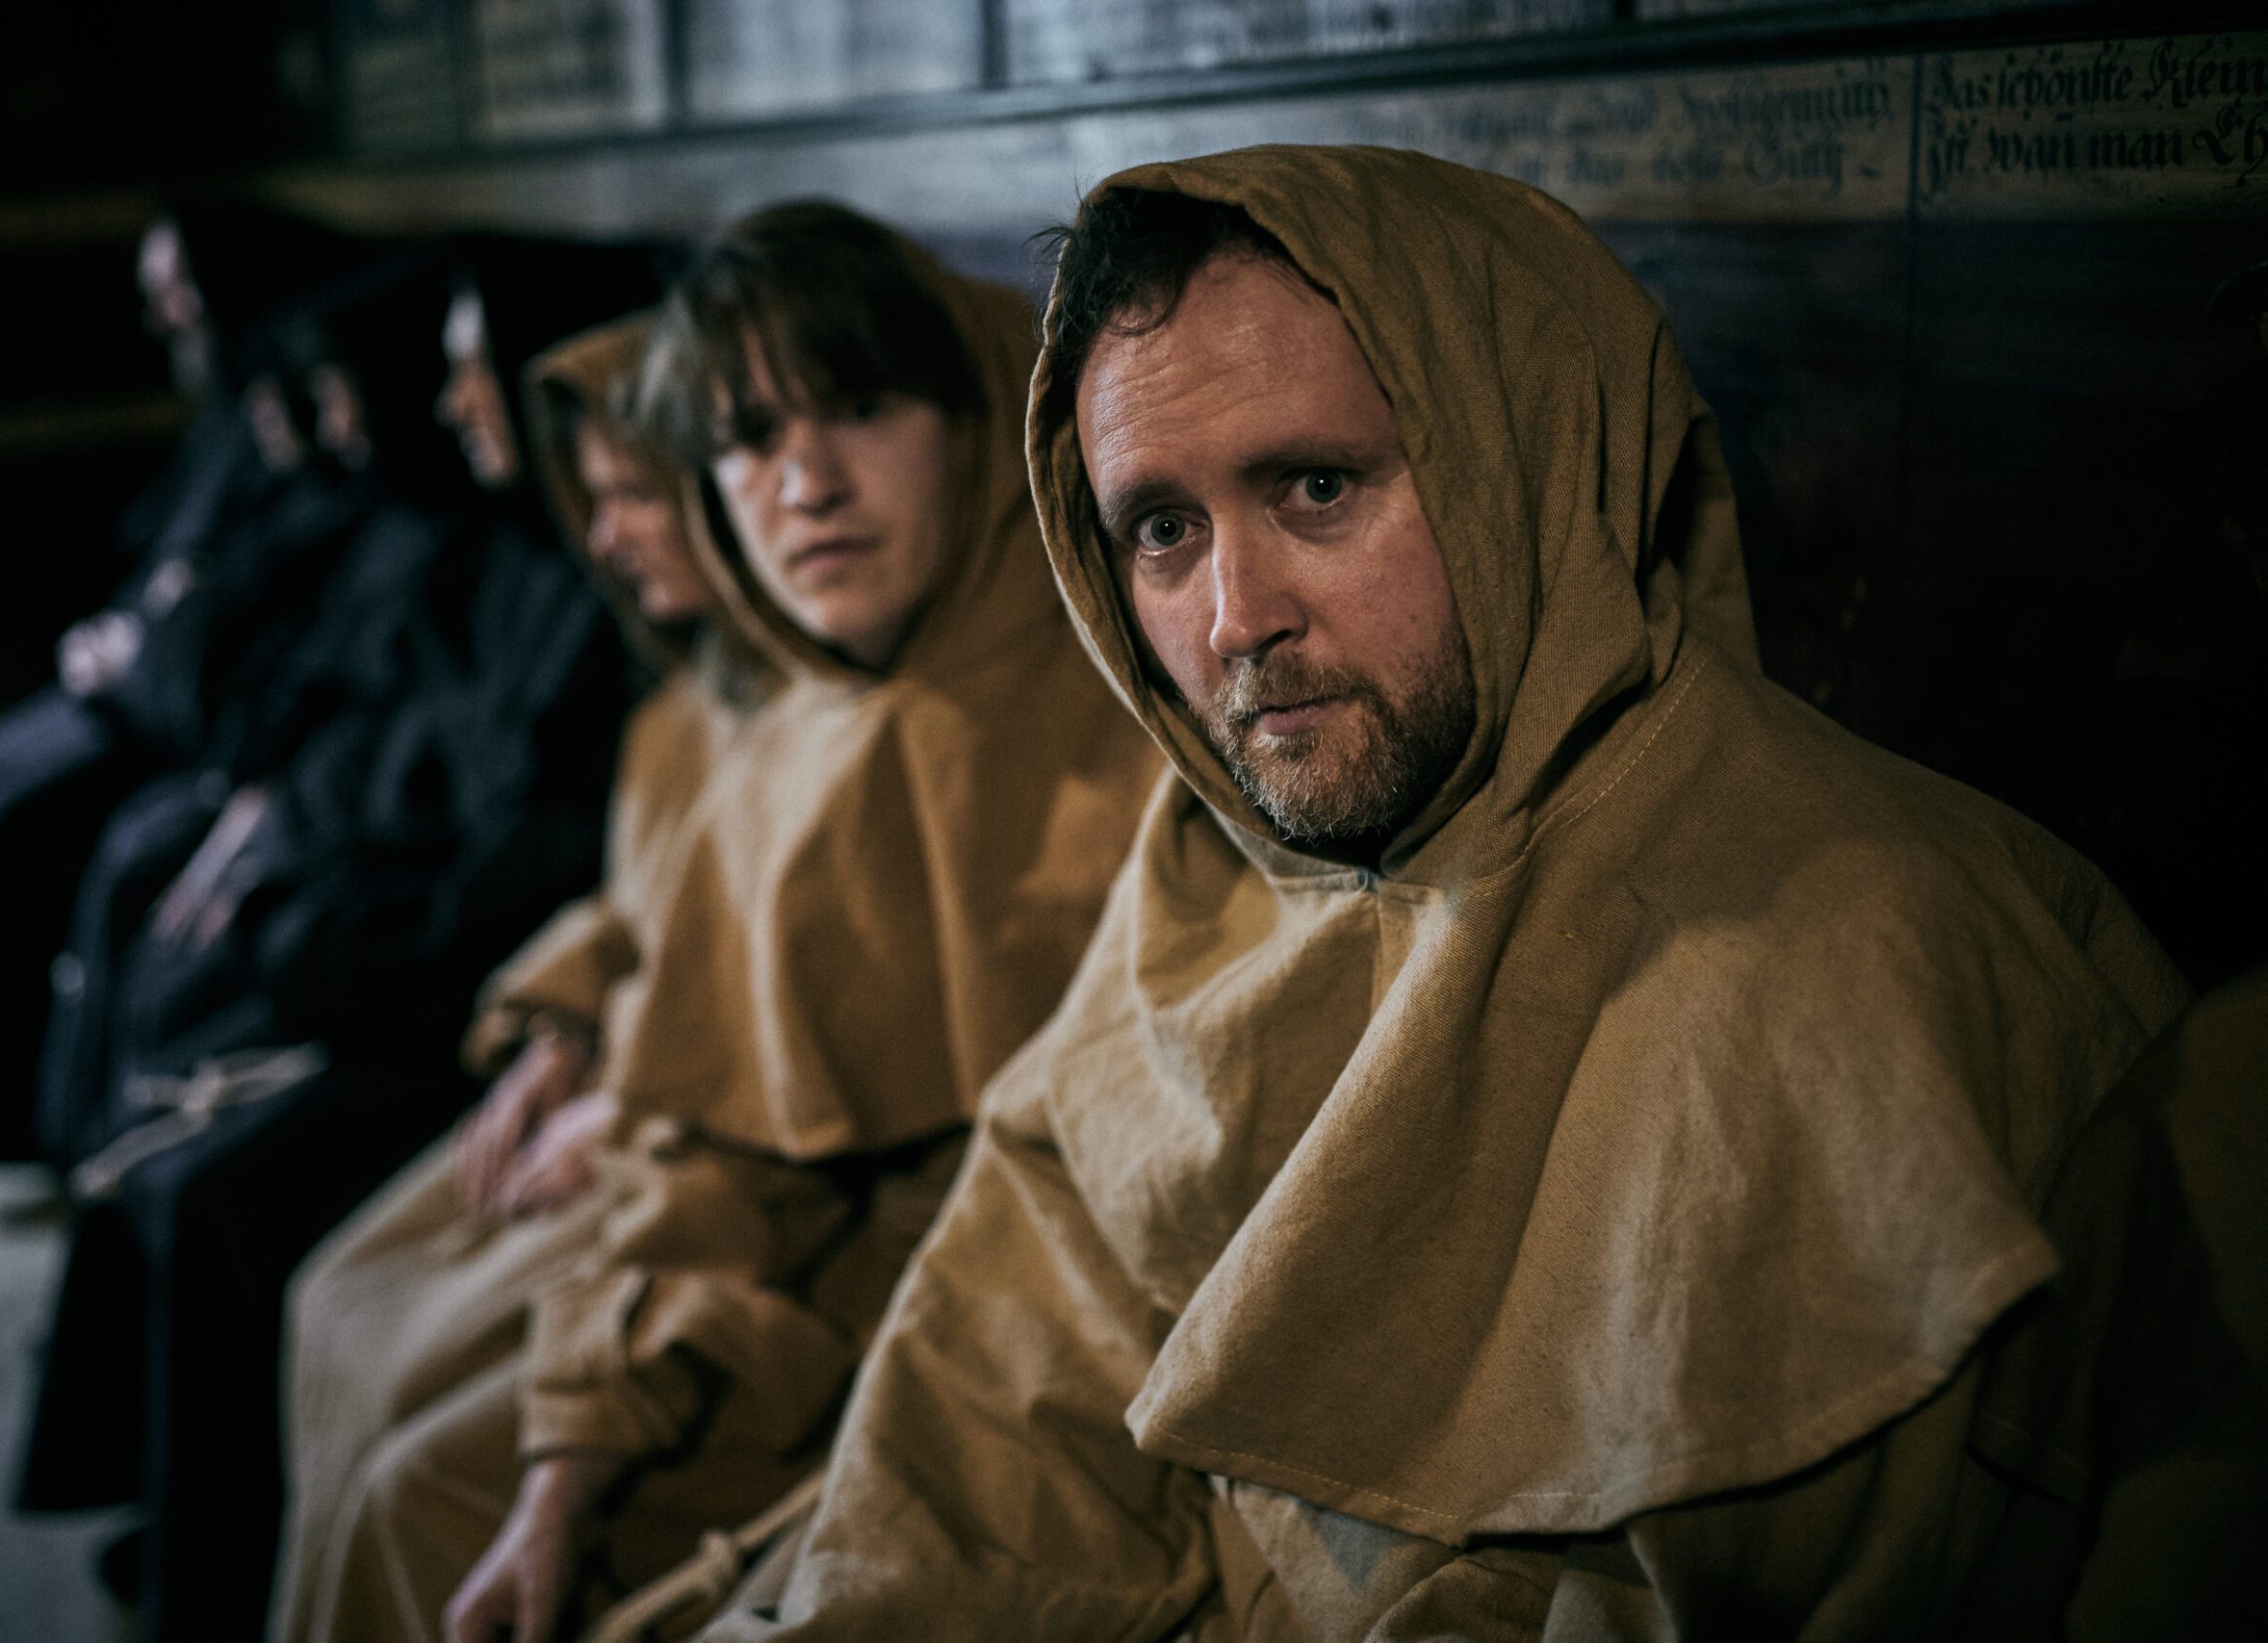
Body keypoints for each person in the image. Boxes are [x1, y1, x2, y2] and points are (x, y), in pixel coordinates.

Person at [694, 146, 2207, 1641]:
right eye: (1162, 527)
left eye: (1317, 486)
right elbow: (981, 1414)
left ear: (1526, 462)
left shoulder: (1873, 958)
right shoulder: (1208, 872)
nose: (1234, 619)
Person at [271, 201, 1169, 1643]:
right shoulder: (817, 717)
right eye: (748, 439)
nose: (807, 484)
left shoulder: (1133, 699)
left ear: (973, 413)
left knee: (428, 1492)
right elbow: (724, 1144)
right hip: (772, 1277)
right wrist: (566, 1468)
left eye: (861, 408)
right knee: (389, 1387)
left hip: (1017, 1326)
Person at [11, 243, 654, 1643]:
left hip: (456, 994)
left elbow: (560, 865)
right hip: (465, 979)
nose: (454, 404)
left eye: (477, 376)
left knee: (236, 1197)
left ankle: (216, 1561)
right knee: (188, 1071)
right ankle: (187, 1518)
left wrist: (369, 955)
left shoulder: (613, 618)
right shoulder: (499, 557)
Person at [0, 202, 355, 1162]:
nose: (165, 314)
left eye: (178, 289)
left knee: (32, 824)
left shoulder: (290, 424)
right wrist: (125, 628)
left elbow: (244, 606)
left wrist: (152, 644)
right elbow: (164, 559)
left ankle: (38, 1124)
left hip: (183, 709)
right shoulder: (227, 415)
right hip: (141, 676)